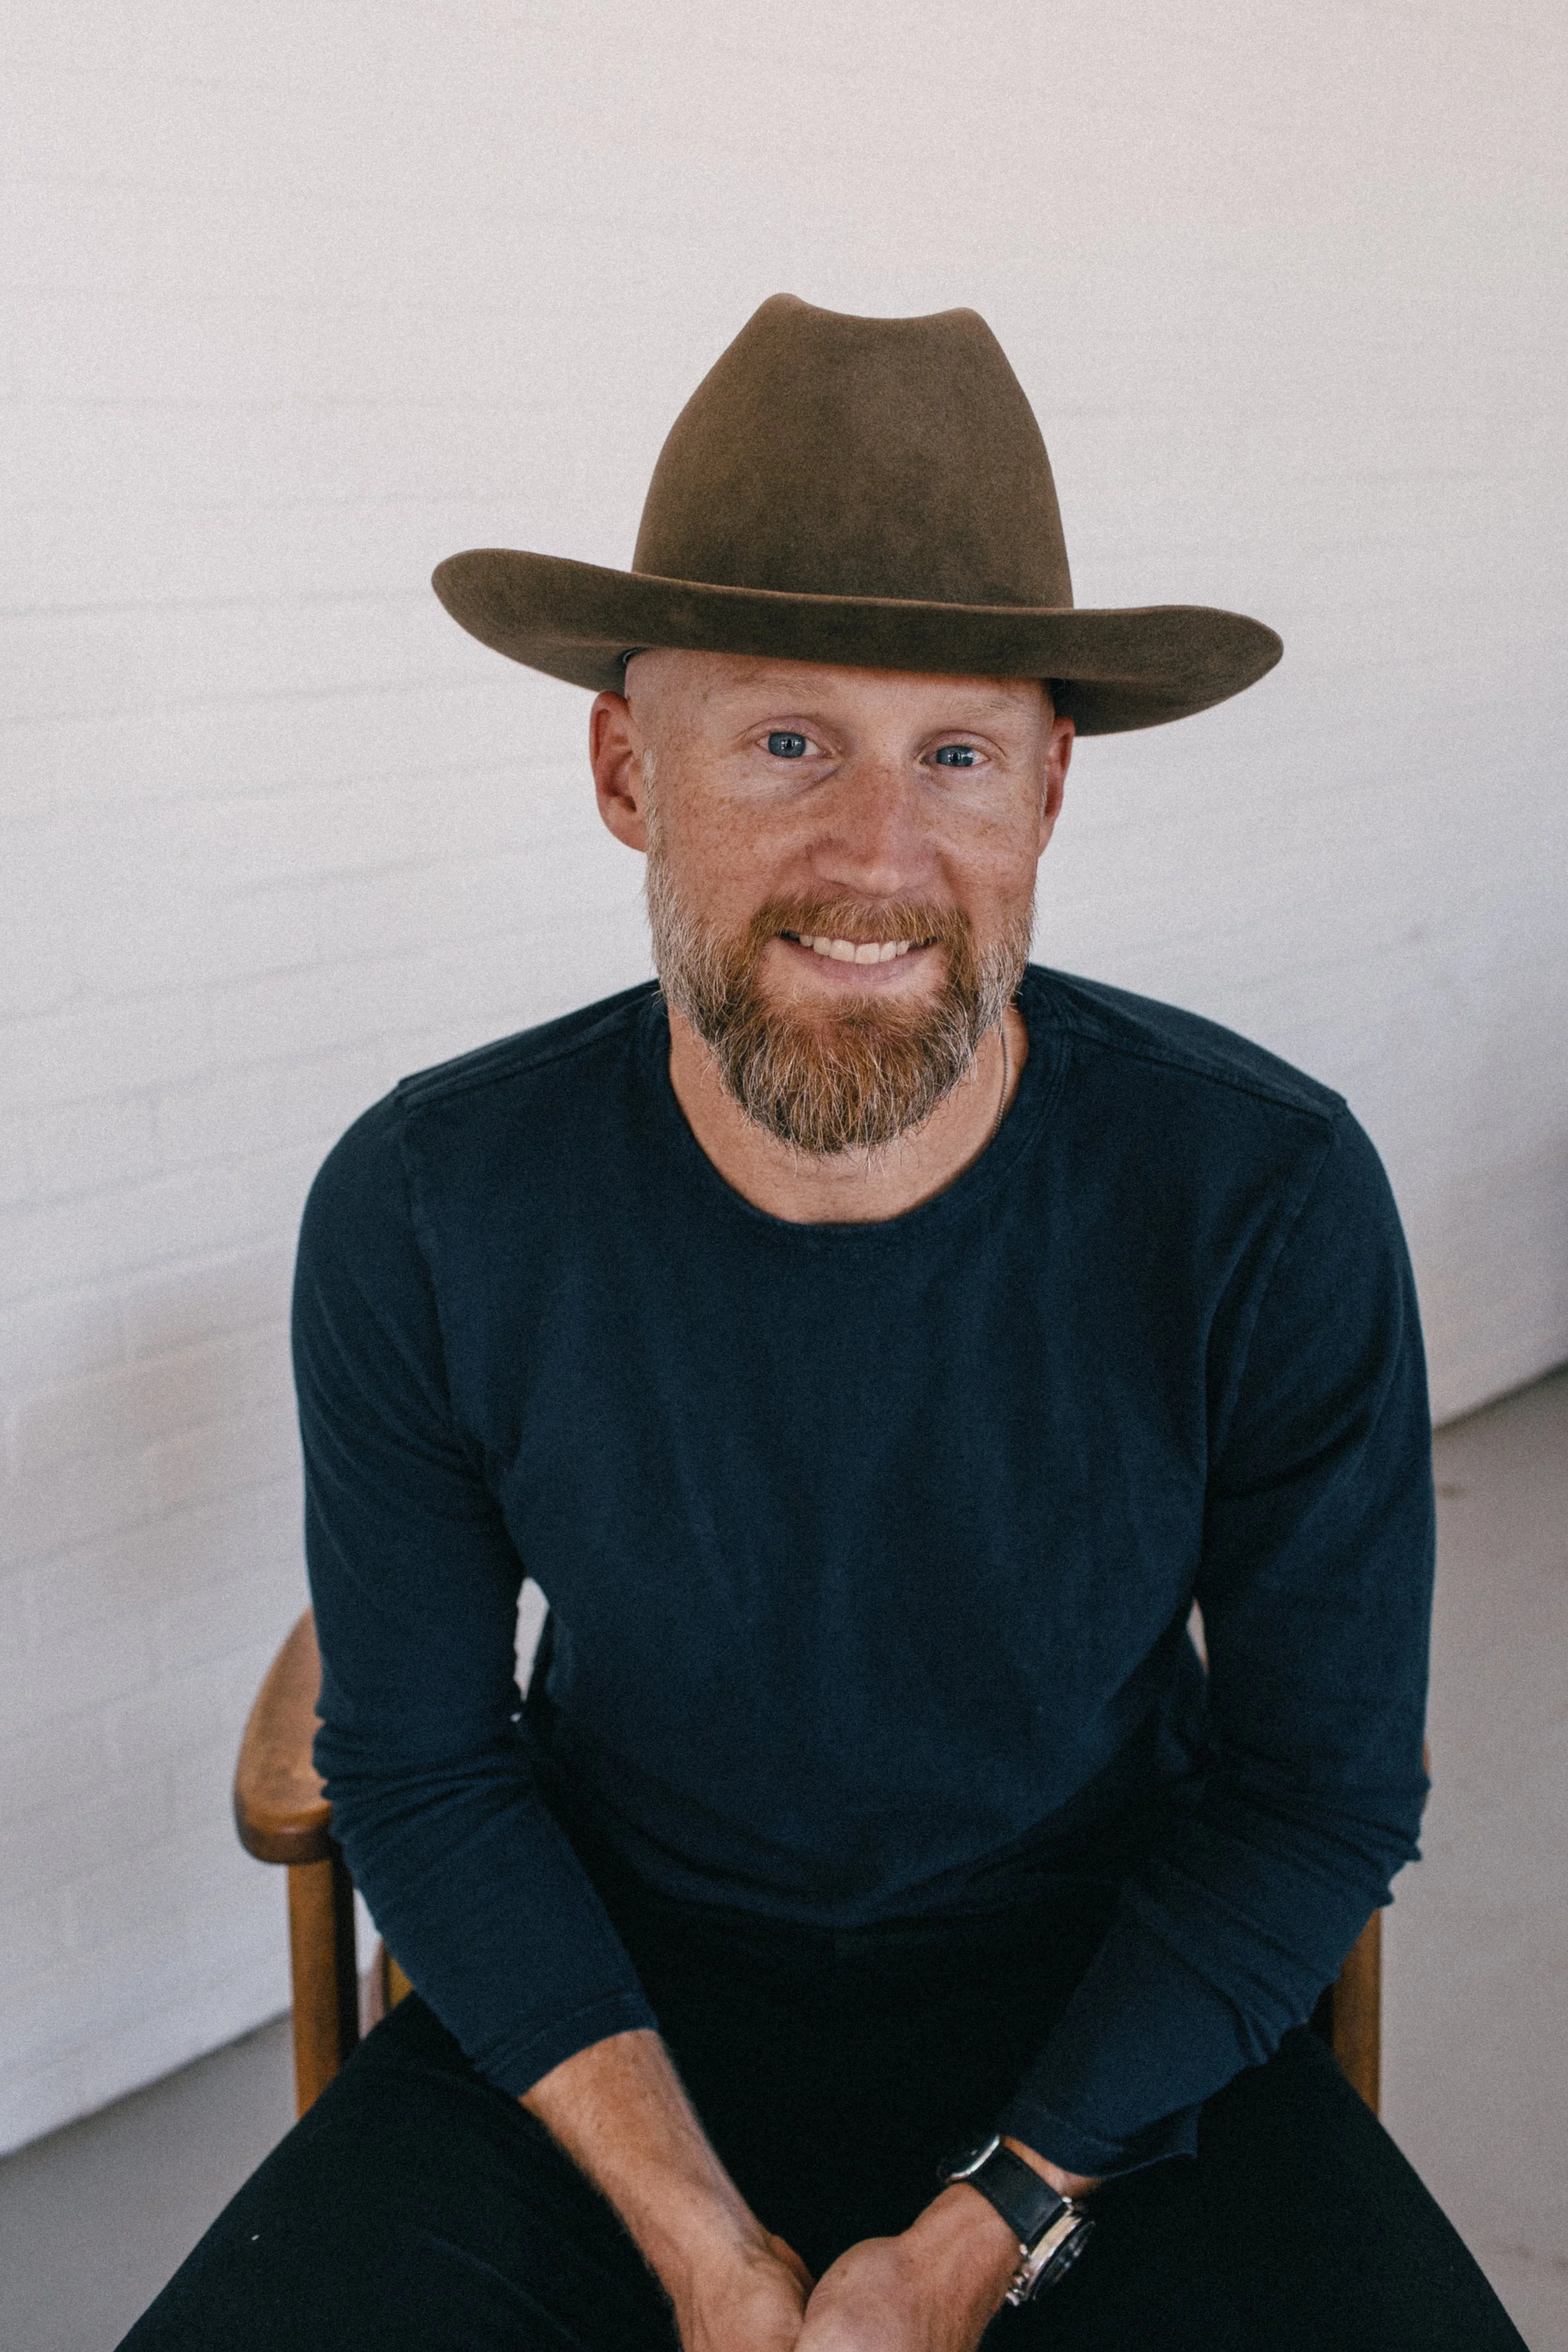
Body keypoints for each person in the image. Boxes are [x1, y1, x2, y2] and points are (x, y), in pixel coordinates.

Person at [123, 297, 1525, 2352]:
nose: (878, 857)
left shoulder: (1258, 1197)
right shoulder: (434, 1202)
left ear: (1048, 790)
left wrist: (979, 2235)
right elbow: (422, 1761)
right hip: (607, 2022)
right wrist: (703, 2245)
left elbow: (1313, 1796)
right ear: (625, 768)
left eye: (954, 752)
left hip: (1102, 2036)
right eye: (786, 741)